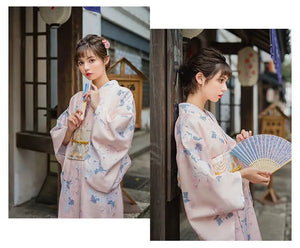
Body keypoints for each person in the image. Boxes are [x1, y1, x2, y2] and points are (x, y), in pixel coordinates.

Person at [175, 48, 271, 240]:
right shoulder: (188, 122)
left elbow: (225, 157)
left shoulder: (206, 116)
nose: (225, 88)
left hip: (233, 206)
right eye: (221, 80)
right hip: (222, 213)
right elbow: (200, 180)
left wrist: (240, 148)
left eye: (225, 82)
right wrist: (242, 174)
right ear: (200, 78)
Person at [50, 34, 136, 218]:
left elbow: (121, 138)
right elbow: (61, 138)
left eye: (91, 60)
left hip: (99, 178)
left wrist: (99, 107)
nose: (85, 67)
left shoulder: (123, 96)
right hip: (73, 175)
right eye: (81, 62)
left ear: (106, 60)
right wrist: (70, 129)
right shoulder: (76, 99)